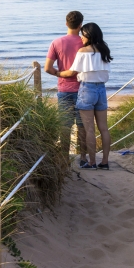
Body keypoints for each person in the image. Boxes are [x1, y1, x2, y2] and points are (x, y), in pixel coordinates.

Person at [56, 22, 112, 170]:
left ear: (88, 35)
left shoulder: (82, 51)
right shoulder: (104, 50)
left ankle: (92, 162)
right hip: (102, 90)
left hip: (87, 89)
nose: (81, 37)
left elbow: (71, 72)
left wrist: (56, 73)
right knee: (104, 128)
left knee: (89, 129)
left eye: (83, 34)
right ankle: (105, 162)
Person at [44, 11, 88, 166]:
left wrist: (59, 74)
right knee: (82, 126)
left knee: (65, 125)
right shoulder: (85, 43)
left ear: (66, 24)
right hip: (83, 89)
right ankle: (83, 158)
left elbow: (47, 68)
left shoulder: (56, 42)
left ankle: (64, 159)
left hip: (64, 90)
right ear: (81, 25)